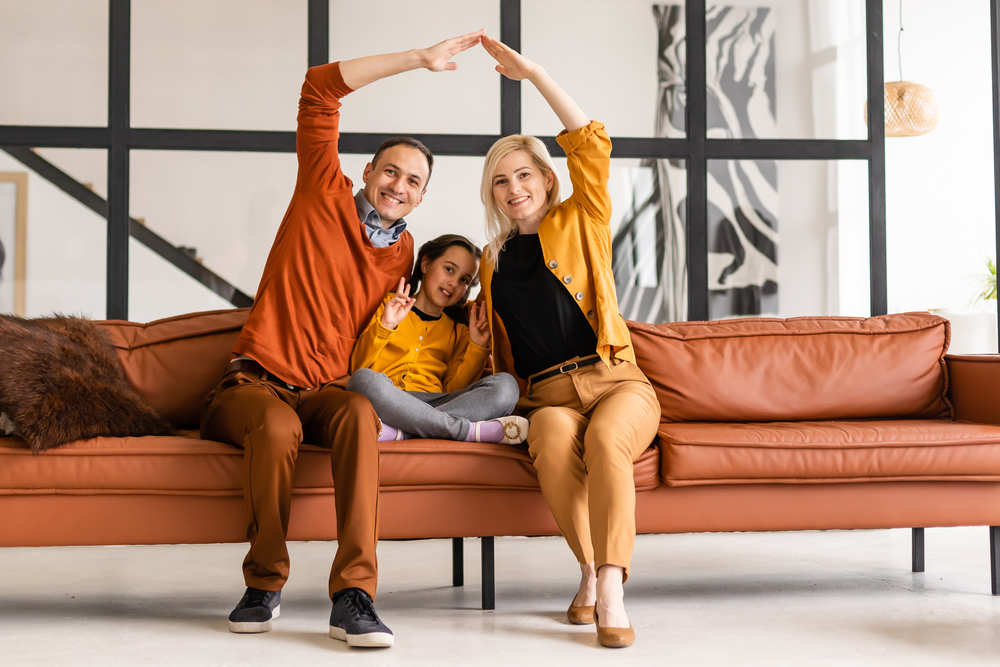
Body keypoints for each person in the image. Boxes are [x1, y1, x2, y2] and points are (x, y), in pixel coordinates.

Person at [199, 29, 484, 649]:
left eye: (413, 181)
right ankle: (265, 581)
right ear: (367, 172)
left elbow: (396, 341)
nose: (399, 186)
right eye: (391, 172)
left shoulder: (406, 252)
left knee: (358, 411)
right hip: (256, 383)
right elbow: (318, 89)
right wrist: (418, 59)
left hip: (323, 392)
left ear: (422, 195)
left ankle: (354, 595)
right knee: (276, 428)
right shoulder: (320, 191)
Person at [476, 35, 660, 648]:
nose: (513, 188)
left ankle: (610, 584)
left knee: (608, 440)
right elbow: (498, 344)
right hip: (548, 396)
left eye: (524, 174)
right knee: (551, 442)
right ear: (492, 194)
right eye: (500, 181)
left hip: (615, 381)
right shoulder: (491, 259)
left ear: (547, 180)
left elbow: (592, 141)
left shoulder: (584, 217)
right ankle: (584, 568)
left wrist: (535, 75)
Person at [347, 234, 526, 444]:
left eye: (464, 280)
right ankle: (460, 430)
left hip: (436, 403)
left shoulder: (461, 330)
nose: (453, 283)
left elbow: (453, 390)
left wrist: (478, 347)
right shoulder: (390, 303)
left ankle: (403, 432)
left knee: (506, 386)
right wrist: (386, 326)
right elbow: (357, 367)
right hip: (388, 398)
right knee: (363, 380)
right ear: (425, 264)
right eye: (449, 269)